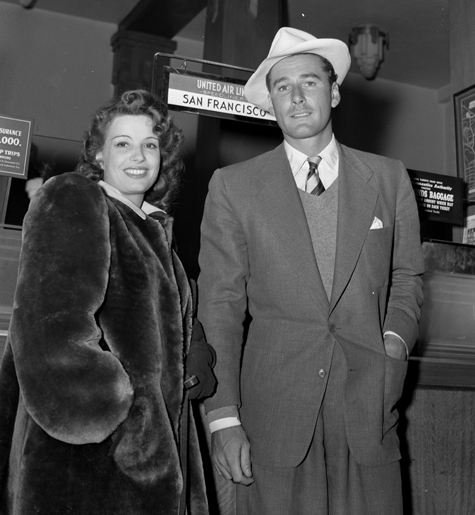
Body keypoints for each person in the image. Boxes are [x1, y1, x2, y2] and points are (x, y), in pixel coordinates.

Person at [197, 27, 424, 515]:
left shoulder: (388, 177)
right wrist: (222, 418)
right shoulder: (233, 187)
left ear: (335, 91)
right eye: (282, 87)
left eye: (310, 83)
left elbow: (408, 277)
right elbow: (220, 305)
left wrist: (394, 344)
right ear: (271, 102)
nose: (297, 97)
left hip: (369, 408)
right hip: (274, 415)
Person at [0, 89, 215, 515]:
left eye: (150, 145)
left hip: (144, 463)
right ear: (99, 154)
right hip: (87, 466)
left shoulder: (154, 233)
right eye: (123, 144)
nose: (138, 155)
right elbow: (53, 333)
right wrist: (134, 426)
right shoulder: (76, 198)